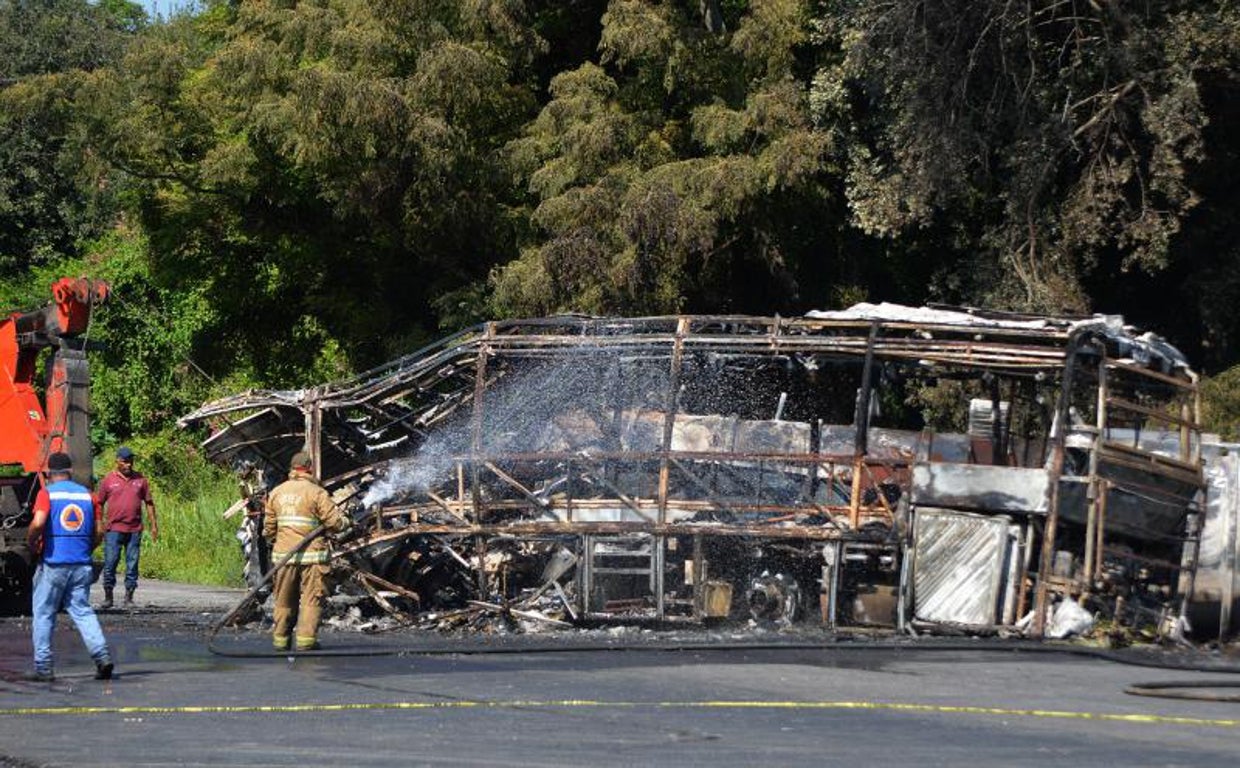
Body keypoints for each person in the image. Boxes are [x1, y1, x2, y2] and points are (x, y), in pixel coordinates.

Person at [25, 452, 114, 682]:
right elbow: (100, 531)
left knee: (44, 613)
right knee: (82, 611)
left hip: (53, 564)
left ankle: (44, 668)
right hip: (81, 565)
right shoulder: (88, 495)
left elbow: (38, 522)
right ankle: (102, 657)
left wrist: (31, 541)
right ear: (70, 471)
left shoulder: (47, 494)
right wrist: (87, 549)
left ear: (49, 473)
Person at [263, 450, 350, 651]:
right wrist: (346, 521)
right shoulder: (316, 492)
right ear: (309, 468)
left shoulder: (277, 492)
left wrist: (278, 540)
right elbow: (334, 523)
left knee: (283, 599)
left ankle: (280, 640)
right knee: (311, 599)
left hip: (284, 556)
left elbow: (269, 529)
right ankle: (305, 641)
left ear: (292, 469)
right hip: (313, 556)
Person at [97, 445, 158, 609]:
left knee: (132, 565)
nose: (128, 464)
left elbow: (149, 503)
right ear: (117, 461)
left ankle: (129, 597)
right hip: (113, 530)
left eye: (130, 461)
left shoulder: (141, 480)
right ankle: (108, 597)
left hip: (134, 530)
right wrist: (99, 524)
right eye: (124, 461)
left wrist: (154, 525)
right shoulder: (108, 480)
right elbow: (99, 503)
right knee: (110, 563)